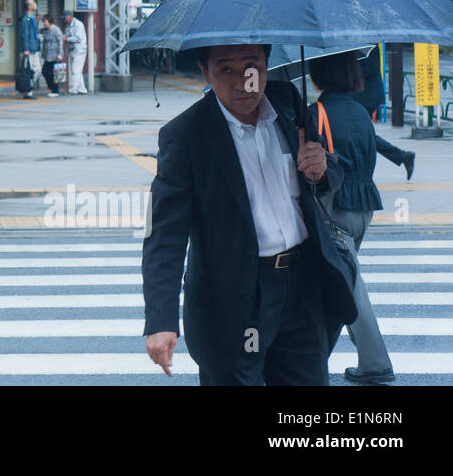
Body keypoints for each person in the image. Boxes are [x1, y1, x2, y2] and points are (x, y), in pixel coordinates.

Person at [142, 43, 356, 385]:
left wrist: (321, 168)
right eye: (226, 70)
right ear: (205, 72)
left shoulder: (287, 102)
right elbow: (164, 233)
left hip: (301, 289)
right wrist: (161, 320)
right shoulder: (186, 136)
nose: (244, 82)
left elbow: (328, 173)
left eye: (252, 67)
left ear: (267, 65)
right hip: (238, 302)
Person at [310, 52, 394, 385]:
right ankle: (314, 359)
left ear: (318, 74)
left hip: (334, 210)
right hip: (364, 208)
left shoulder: (317, 112)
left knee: (349, 285)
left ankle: (375, 364)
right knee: (336, 281)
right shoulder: (361, 111)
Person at [351, 46, 415, 179]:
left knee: (362, 134)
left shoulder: (367, 45)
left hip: (367, 97)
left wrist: (349, 69)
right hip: (364, 96)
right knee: (363, 134)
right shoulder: (361, 43)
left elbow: (370, 69)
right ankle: (403, 156)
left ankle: (402, 156)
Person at [19, 0, 41, 99]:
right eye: (33, 3)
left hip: (33, 48)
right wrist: (26, 49)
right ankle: (28, 91)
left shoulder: (31, 18)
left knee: (33, 70)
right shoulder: (26, 19)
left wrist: (37, 21)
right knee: (33, 70)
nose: (35, 4)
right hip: (29, 49)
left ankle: (27, 90)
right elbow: (24, 35)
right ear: (29, 7)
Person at [62, 10, 88, 95]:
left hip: (79, 50)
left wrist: (67, 39)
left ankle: (73, 89)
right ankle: (82, 89)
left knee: (75, 69)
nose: (64, 20)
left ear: (70, 17)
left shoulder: (78, 24)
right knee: (77, 70)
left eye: (65, 18)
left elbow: (78, 38)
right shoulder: (67, 25)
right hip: (72, 50)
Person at [40, 14, 64, 97]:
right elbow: (35, 30)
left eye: (45, 22)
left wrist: (60, 54)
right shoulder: (45, 30)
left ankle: (55, 90)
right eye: (43, 22)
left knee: (54, 73)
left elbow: (60, 42)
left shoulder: (56, 30)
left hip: (55, 55)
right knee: (45, 72)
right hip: (47, 55)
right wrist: (38, 20)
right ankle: (51, 88)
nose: (44, 24)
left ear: (50, 22)